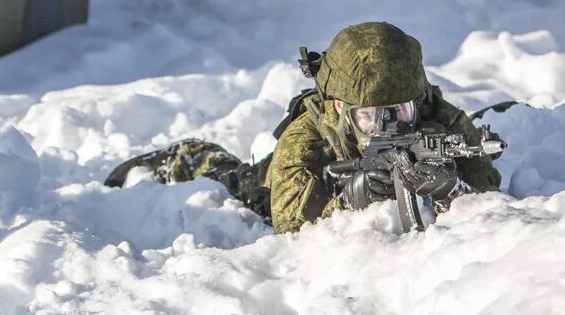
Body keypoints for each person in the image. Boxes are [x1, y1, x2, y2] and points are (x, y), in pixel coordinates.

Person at [105, 22, 501, 234]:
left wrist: (456, 191)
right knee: (236, 182)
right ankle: (188, 155)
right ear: (338, 108)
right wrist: (348, 202)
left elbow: (489, 187)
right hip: (285, 184)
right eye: (368, 116)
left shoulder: (440, 121)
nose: (386, 126)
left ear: (417, 101)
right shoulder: (306, 138)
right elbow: (291, 229)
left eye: (397, 112)